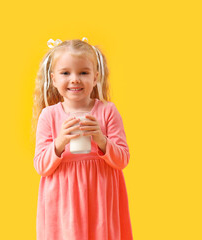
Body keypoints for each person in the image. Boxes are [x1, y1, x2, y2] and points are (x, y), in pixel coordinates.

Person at [31, 37, 133, 240]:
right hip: (62, 205)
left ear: (95, 78)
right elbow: (41, 166)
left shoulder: (107, 111)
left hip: (100, 201)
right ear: (53, 78)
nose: (75, 79)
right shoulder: (49, 116)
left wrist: (101, 139)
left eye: (83, 73)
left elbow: (123, 160)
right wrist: (60, 142)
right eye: (65, 73)